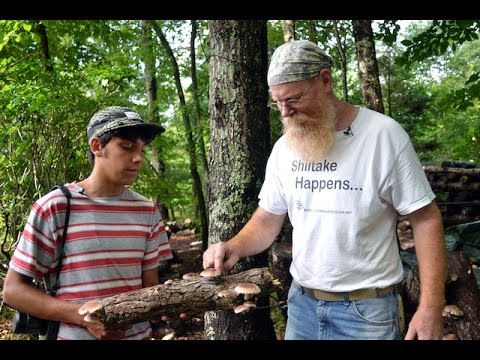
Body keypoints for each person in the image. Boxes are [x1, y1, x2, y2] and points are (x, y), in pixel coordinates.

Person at [202, 40, 447, 340]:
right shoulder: (284, 148)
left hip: (367, 313)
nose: (285, 113)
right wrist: (234, 247)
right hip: (302, 306)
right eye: (276, 102)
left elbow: (426, 219)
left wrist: (431, 308)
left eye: (293, 99)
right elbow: (268, 218)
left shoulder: (383, 136)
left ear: (325, 80)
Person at [3, 106, 173, 340]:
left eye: (142, 149)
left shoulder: (147, 211)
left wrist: (169, 302)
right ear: (97, 147)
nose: (138, 158)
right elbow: (13, 291)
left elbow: (148, 287)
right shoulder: (55, 206)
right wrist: (83, 317)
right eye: (127, 147)